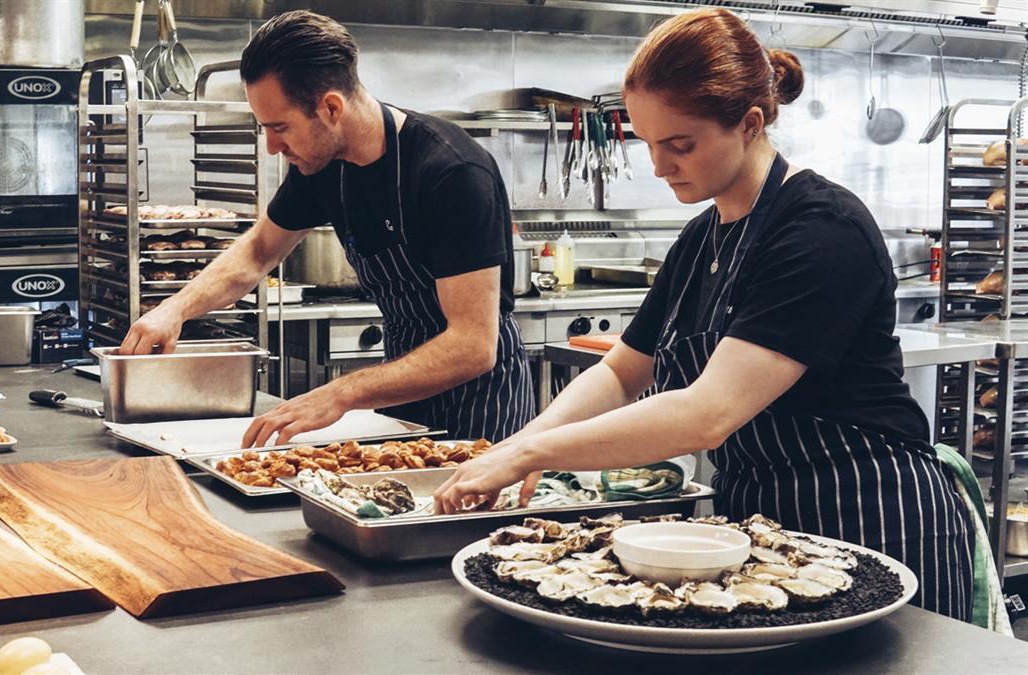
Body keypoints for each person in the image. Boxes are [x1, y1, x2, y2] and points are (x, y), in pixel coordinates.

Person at [434, 8, 974, 621]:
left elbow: (706, 415)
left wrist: (534, 456)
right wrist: (519, 443)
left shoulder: (821, 230)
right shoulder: (701, 239)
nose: (660, 167)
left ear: (748, 124)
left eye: (679, 145)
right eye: (648, 145)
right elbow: (620, 373)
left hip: (871, 515)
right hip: (760, 532)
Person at [120, 10, 534, 446]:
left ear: (331, 108)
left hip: (483, 408)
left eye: (280, 128)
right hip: (402, 394)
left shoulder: (451, 171)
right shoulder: (323, 167)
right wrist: (175, 310)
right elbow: (259, 251)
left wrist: (341, 392)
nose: (273, 146)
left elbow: (472, 345)